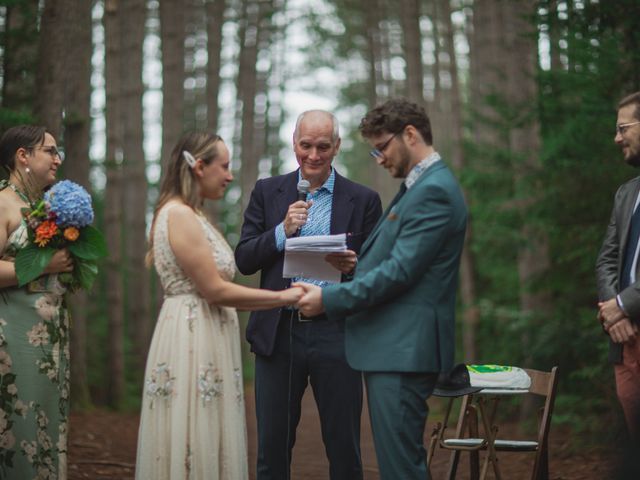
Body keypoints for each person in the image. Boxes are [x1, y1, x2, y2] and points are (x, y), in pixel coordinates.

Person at [296, 98, 468, 480]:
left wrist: (329, 298)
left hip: (403, 352)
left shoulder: (434, 190)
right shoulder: (419, 186)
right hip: (393, 350)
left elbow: (400, 273)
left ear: (410, 134)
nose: (378, 157)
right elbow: (400, 262)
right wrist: (355, 267)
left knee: (401, 469)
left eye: (382, 146)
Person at [135, 131, 303, 480]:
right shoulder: (179, 215)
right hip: (192, 335)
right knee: (193, 429)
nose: (229, 175)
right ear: (199, 167)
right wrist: (283, 298)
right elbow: (216, 291)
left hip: (206, 330)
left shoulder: (193, 215)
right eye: (224, 166)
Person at [234, 110, 382, 480]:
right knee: (272, 449)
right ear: (294, 144)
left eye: (322, 146)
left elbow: (379, 272)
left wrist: (354, 267)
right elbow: (245, 259)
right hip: (278, 334)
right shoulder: (268, 192)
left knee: (344, 449)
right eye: (306, 145)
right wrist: (282, 230)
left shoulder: (363, 200)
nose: (313, 155)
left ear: (336, 146)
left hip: (337, 332)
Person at [0, 125, 73, 479]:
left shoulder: (43, 207)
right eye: (50, 150)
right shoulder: (3, 202)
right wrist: (43, 264)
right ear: (22, 156)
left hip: (50, 335)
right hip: (13, 335)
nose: (58, 159)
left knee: (46, 420)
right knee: (20, 423)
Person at [596, 91, 640, 442]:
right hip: (625, 341)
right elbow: (607, 258)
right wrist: (616, 315)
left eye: (623, 127)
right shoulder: (627, 193)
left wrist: (623, 305)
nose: (616, 138)